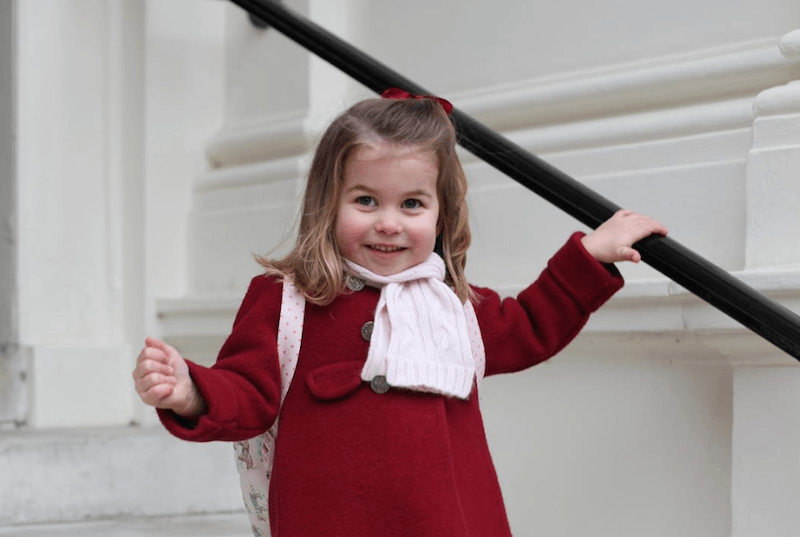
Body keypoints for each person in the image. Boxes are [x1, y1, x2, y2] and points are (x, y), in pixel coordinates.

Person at [133, 89, 667, 537]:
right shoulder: (288, 299)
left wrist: (589, 257)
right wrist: (192, 391)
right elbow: (247, 392)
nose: (389, 223)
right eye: (366, 200)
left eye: (411, 204)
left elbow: (531, 325)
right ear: (327, 202)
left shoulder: (454, 305)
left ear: (440, 214)